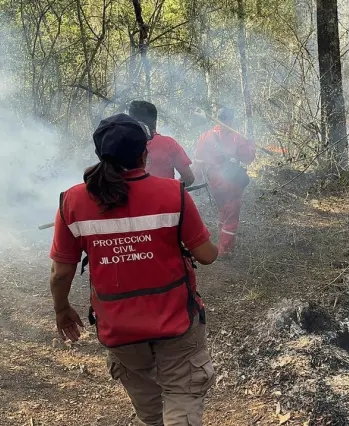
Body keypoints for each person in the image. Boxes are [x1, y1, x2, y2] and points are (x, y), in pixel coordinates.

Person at [49, 113, 218, 426]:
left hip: (120, 329)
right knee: (181, 408)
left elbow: (61, 274)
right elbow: (206, 256)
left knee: (151, 414)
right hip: (177, 322)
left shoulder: (71, 202)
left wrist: (61, 309)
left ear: (101, 154)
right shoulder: (172, 194)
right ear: (145, 153)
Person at [192, 107, 255, 258]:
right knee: (231, 215)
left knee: (223, 209)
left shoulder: (205, 136)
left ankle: (226, 241)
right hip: (231, 181)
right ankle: (224, 249)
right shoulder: (236, 137)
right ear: (231, 119)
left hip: (213, 181)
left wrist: (196, 181)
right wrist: (250, 145)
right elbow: (248, 158)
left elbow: (198, 162)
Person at [129, 100, 196, 186]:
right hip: (165, 198)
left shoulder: (120, 145)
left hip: (133, 198)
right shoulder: (169, 144)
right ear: (154, 122)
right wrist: (171, 188)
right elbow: (188, 178)